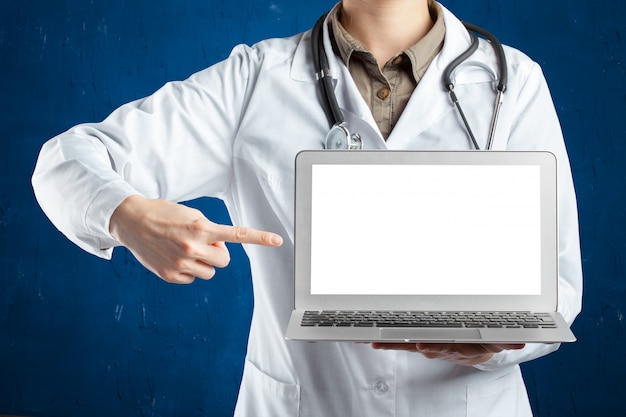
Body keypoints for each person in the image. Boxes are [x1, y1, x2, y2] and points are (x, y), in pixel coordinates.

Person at [32, 0, 583, 415]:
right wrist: (127, 215)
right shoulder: (254, 82)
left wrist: (494, 338)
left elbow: (558, 285)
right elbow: (65, 161)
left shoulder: (514, 83)